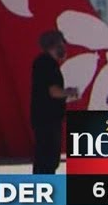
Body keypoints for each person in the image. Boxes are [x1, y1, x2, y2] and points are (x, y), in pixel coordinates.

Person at [30, 31, 78, 174]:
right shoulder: (48, 64)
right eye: (62, 44)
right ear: (54, 45)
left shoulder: (42, 62)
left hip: (43, 117)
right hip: (48, 118)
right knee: (48, 159)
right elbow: (53, 91)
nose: (64, 48)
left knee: (45, 158)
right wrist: (69, 92)